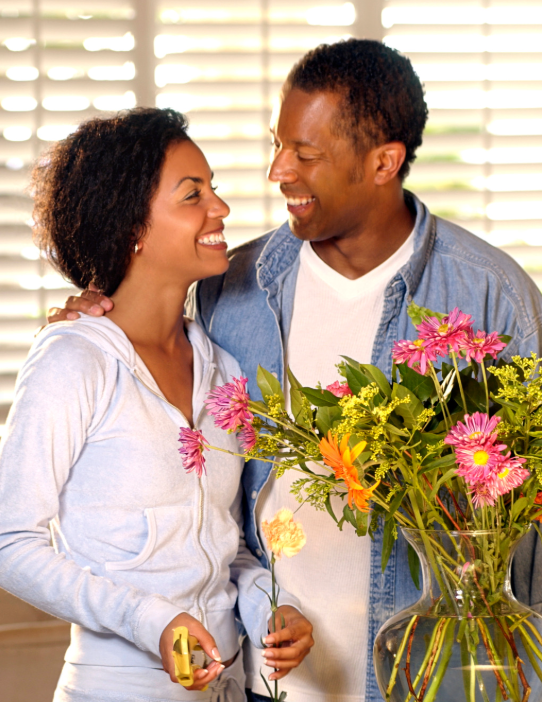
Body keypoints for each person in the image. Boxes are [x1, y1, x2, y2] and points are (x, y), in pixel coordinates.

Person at [47, 40, 542, 702]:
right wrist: (95, 309)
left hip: (420, 683)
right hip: (255, 685)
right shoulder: (233, 289)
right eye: (277, 144)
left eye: (305, 153)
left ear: (383, 162)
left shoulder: (491, 297)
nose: (278, 170)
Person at [0, 107, 313, 702]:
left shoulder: (222, 367)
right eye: (192, 194)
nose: (220, 209)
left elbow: (223, 543)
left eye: (213, 189)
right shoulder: (74, 360)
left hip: (231, 688)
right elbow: (9, 542)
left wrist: (271, 608)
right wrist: (153, 622)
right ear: (130, 227)